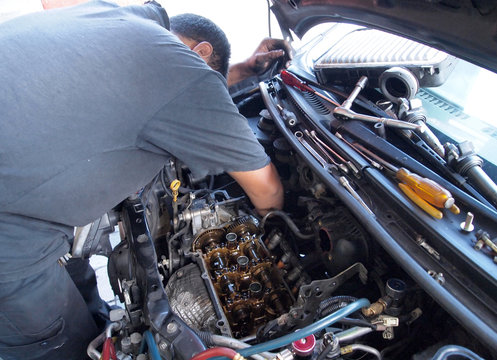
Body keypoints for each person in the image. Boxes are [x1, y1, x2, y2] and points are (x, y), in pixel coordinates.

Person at [0, 1, 288, 359]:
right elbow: (268, 190)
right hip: (10, 236)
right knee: (59, 345)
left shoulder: (116, 17)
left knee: (77, 279)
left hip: (17, 184)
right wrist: (276, 235)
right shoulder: (182, 73)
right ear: (201, 51)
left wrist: (243, 69)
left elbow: (179, 79)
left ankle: (96, 325)